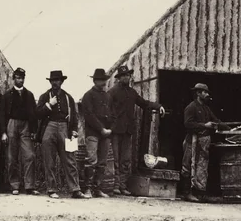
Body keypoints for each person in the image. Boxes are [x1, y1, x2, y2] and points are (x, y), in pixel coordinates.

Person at [108, 64, 164, 196]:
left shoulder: (132, 93)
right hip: (116, 131)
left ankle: (122, 185)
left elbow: (144, 104)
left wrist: (159, 106)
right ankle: (115, 185)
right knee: (115, 159)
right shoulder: (112, 92)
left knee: (125, 159)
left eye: (128, 75)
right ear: (119, 78)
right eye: (124, 76)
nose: (126, 77)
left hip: (127, 131)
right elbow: (107, 110)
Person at [36, 69, 82, 199]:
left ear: (61, 81)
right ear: (50, 82)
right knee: (49, 160)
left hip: (64, 128)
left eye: (57, 80)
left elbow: (74, 117)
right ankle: (51, 189)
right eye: (53, 81)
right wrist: (48, 105)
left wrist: (73, 131)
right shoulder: (45, 96)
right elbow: (37, 114)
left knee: (70, 159)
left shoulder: (68, 97)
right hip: (49, 127)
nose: (55, 83)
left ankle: (75, 189)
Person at [0, 66, 38, 195]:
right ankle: (14, 185)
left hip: (26, 126)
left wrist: (33, 130)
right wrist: (4, 132)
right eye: (17, 78)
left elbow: (33, 114)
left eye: (22, 78)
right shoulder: (6, 96)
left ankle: (29, 186)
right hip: (11, 124)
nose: (20, 80)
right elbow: (2, 115)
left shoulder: (29, 95)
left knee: (30, 155)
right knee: (12, 157)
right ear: (13, 79)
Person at [181, 83, 218, 203]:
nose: (207, 94)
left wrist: (232, 128)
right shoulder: (191, 107)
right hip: (191, 141)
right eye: (205, 92)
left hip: (202, 143)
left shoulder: (206, 108)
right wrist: (204, 125)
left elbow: (215, 120)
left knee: (201, 167)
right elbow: (188, 124)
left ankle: (200, 194)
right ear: (198, 93)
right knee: (188, 165)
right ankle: (187, 193)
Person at [79, 68, 113, 198]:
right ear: (95, 80)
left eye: (105, 79)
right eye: (101, 80)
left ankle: (97, 189)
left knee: (102, 162)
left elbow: (113, 114)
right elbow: (89, 115)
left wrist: (110, 129)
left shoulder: (107, 96)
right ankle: (87, 188)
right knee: (91, 161)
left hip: (106, 134)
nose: (104, 82)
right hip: (93, 133)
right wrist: (101, 129)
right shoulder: (88, 96)